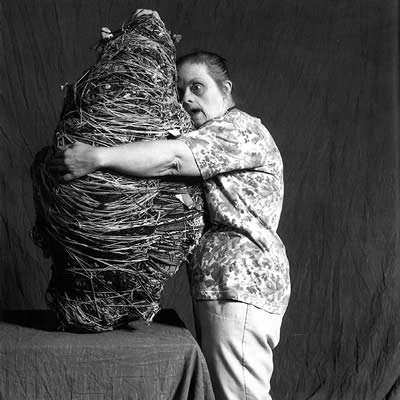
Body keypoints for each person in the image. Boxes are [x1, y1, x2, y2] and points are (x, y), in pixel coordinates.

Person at [49, 40, 290, 400]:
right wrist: (124, 48)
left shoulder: (239, 130)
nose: (187, 99)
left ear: (225, 90)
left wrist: (96, 157)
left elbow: (173, 158)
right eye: (179, 91)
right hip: (226, 289)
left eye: (198, 87)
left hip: (241, 287)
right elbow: (157, 147)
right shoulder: (213, 137)